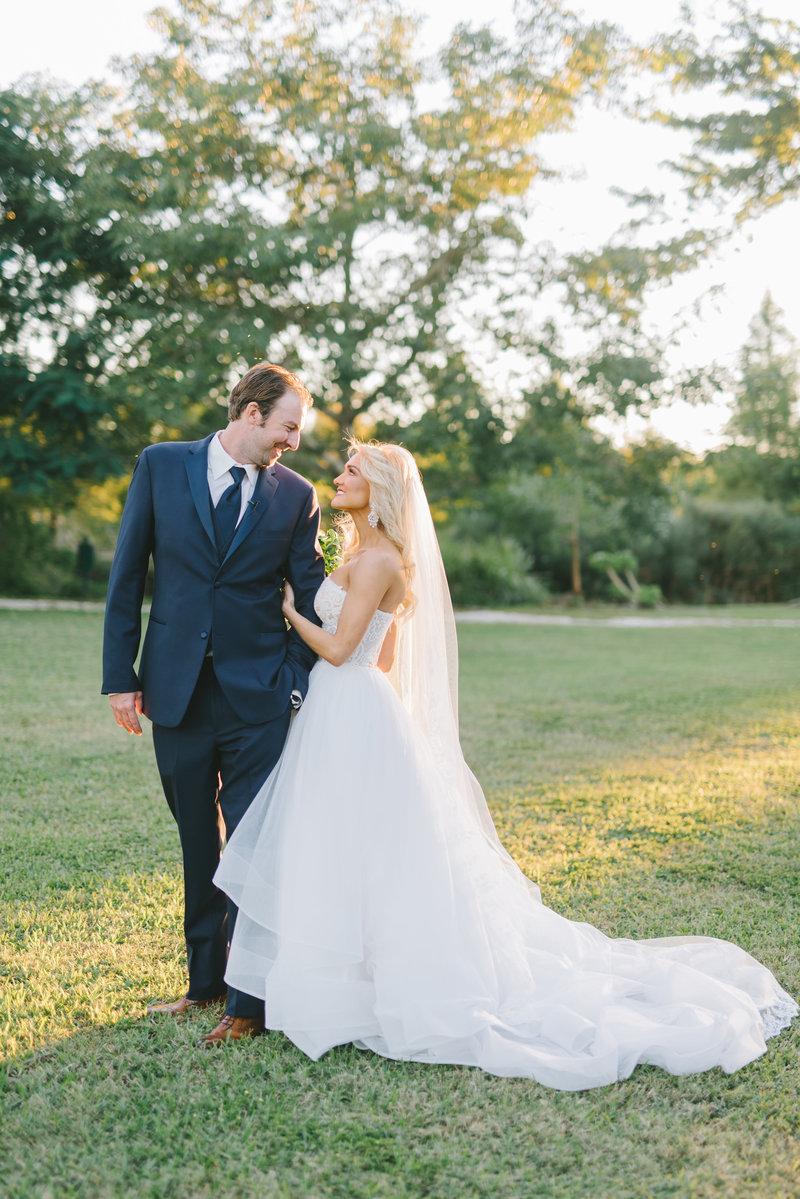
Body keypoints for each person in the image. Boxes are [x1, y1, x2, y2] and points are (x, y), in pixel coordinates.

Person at [213, 438, 797, 1089]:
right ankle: (345, 975)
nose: (340, 475)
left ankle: (356, 982)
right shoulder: (364, 554)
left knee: (358, 845)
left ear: (379, 491)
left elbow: (345, 649)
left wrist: (291, 612)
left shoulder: (377, 559)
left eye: (353, 470)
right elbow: (383, 657)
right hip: (350, 710)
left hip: (348, 702)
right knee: (350, 845)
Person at [101, 362, 325, 1046]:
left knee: (252, 845)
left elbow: (310, 595)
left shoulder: (297, 495)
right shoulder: (161, 465)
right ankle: (204, 986)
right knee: (198, 839)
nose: (292, 442)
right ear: (252, 413)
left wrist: (293, 681)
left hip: (259, 699)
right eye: (287, 427)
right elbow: (127, 573)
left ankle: (248, 1002)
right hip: (175, 692)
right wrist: (120, 676)